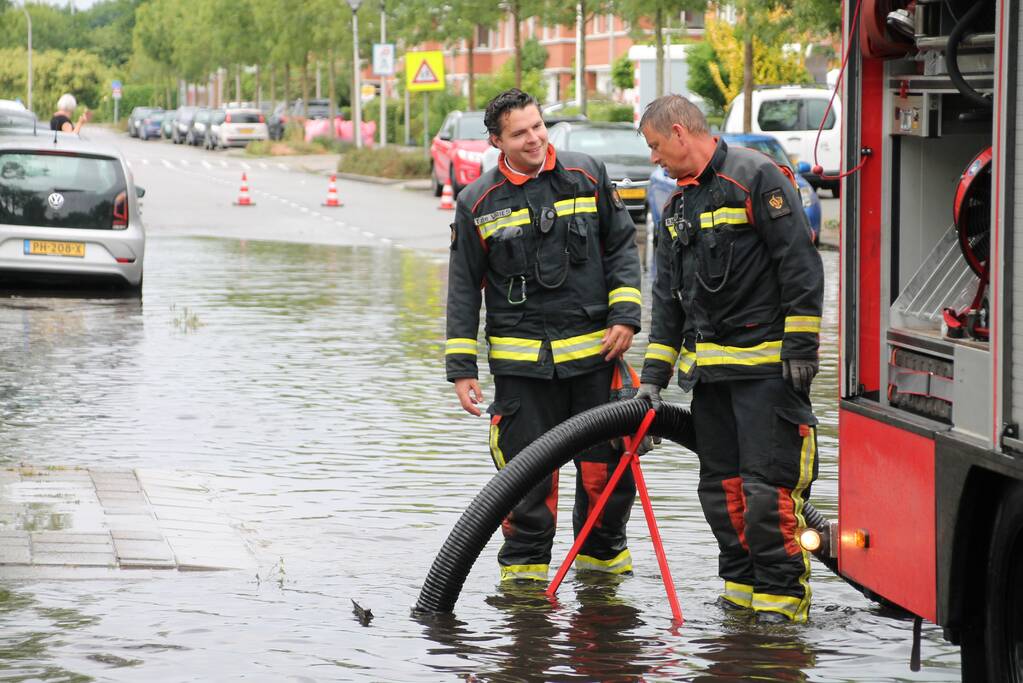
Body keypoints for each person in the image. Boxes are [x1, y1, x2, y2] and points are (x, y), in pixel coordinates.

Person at [635, 95, 824, 623]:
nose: (654, 159)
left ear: (678, 132)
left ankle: (782, 614)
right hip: (712, 383)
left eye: (654, 146)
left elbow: (801, 265)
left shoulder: (755, 178)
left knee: (767, 498)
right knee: (723, 496)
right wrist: (652, 382)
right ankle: (740, 605)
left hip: (768, 376)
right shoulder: (677, 206)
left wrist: (802, 346)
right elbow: (667, 302)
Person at [445, 88, 642, 582]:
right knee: (525, 489)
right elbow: (464, 288)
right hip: (522, 376)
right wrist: (461, 370)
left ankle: (603, 593)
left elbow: (622, 246)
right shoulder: (477, 202)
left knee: (607, 481)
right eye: (520, 133)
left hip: (596, 363)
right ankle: (524, 602)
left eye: (538, 126)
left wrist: (625, 314)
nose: (534, 138)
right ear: (496, 141)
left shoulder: (587, 175)